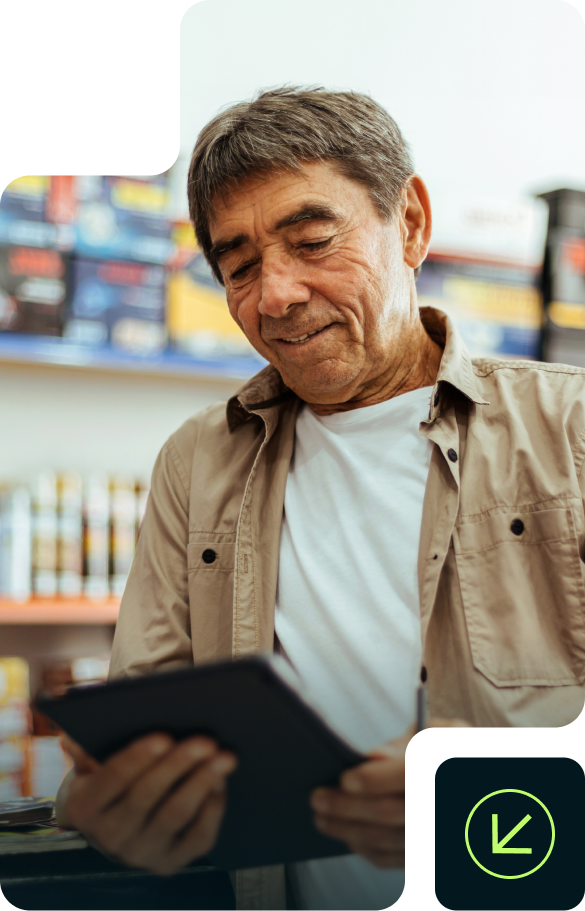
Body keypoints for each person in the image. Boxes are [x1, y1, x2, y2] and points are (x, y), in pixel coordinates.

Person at [56, 86, 585, 911]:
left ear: (408, 222)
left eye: (311, 240)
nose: (274, 297)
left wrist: (483, 799)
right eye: (238, 267)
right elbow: (140, 732)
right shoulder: (196, 461)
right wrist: (111, 810)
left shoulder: (571, 429)